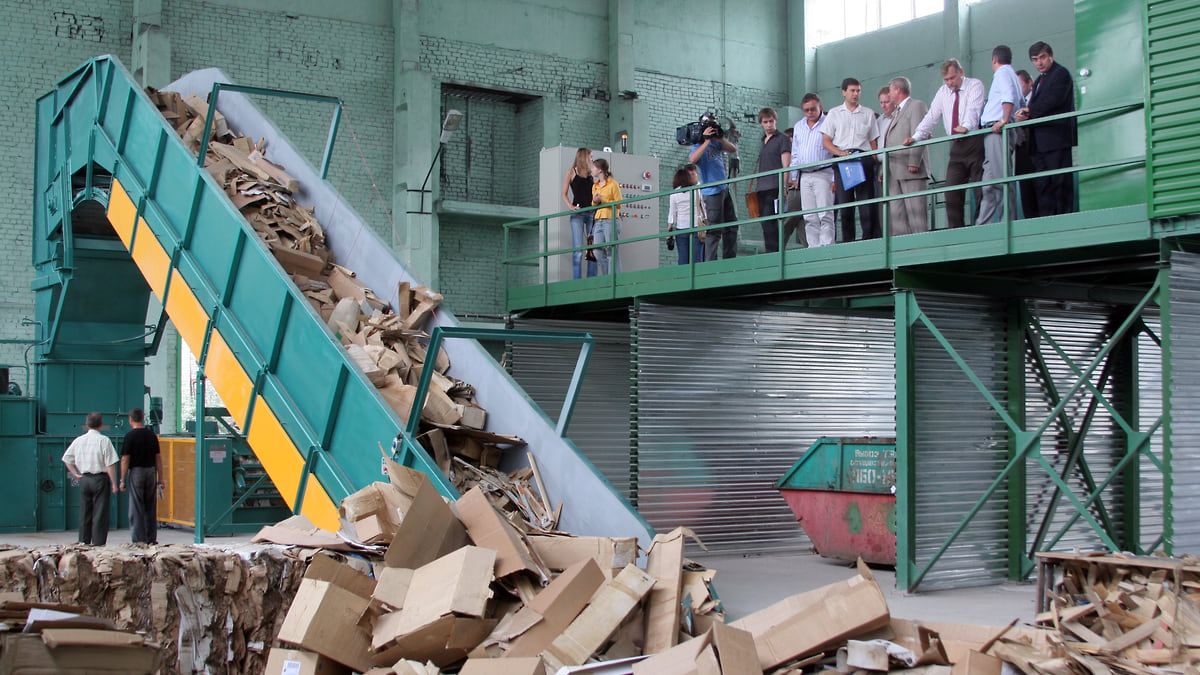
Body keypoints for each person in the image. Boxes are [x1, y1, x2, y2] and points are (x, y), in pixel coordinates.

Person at [904, 58, 985, 229]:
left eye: (953, 78)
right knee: (951, 192)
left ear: (961, 73)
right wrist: (917, 136)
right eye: (947, 80)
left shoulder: (974, 85)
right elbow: (932, 116)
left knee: (980, 188)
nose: (950, 83)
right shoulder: (943, 92)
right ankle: (956, 231)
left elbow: (974, 110)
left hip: (975, 141)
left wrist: (967, 126)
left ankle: (982, 226)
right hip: (956, 145)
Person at [1015, 41, 1077, 216]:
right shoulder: (1042, 79)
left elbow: (1052, 101)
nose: (1039, 63)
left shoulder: (1060, 74)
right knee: (1044, 185)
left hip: (1056, 139)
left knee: (1059, 184)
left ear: (1051, 56)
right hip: (1041, 142)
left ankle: (1062, 220)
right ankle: (1047, 220)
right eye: (1035, 59)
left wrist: (1029, 112)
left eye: (1042, 57)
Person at [822, 78, 879, 241]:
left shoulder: (868, 113)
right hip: (843, 161)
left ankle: (868, 240)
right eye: (852, 90)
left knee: (866, 204)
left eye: (858, 91)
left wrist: (873, 161)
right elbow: (826, 140)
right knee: (846, 206)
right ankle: (848, 242)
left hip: (863, 159)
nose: (855, 94)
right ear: (844, 92)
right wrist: (840, 153)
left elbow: (873, 142)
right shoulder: (834, 113)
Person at [977, 45, 1024, 224]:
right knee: (988, 185)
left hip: (998, 131)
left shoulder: (1003, 73)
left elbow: (1008, 97)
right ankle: (983, 224)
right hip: (995, 133)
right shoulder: (1012, 73)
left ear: (994, 59)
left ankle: (1007, 223)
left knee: (1001, 180)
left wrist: (1003, 120)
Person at [61, 413, 118, 546]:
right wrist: (114, 483)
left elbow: (66, 459)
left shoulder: (79, 440)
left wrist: (75, 473)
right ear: (101, 425)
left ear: (86, 425)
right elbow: (110, 464)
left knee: (85, 512)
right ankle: (98, 543)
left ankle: (83, 542)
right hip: (100, 479)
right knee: (100, 513)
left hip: (85, 479)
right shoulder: (104, 441)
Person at [787, 93, 836, 247]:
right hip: (805, 175)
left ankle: (827, 245)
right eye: (806, 110)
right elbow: (795, 152)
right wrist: (794, 175)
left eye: (812, 109)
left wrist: (835, 178)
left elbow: (836, 150)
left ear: (820, 107)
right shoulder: (799, 126)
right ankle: (813, 248)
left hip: (824, 172)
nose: (810, 112)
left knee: (825, 213)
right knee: (809, 215)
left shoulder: (829, 122)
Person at [688, 113, 739, 261]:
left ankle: (730, 258)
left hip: (724, 188)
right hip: (711, 192)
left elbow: (732, 149)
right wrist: (705, 141)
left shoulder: (717, 142)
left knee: (731, 225)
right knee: (714, 229)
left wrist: (719, 137)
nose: (712, 128)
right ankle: (710, 262)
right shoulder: (698, 145)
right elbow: (692, 159)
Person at [882, 77, 930, 235]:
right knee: (897, 217)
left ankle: (921, 250)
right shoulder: (897, 112)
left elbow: (920, 134)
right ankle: (903, 252)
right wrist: (884, 169)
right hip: (894, 171)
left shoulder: (916, 106)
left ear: (898, 90)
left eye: (890, 90)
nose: (889, 94)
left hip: (911, 170)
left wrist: (914, 162)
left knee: (916, 216)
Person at [120, 408, 163, 545]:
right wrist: (161, 478)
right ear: (142, 418)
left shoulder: (130, 436)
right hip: (151, 472)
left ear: (130, 419)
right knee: (150, 506)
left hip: (137, 473)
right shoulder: (151, 435)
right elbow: (158, 459)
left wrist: (122, 479)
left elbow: (125, 459)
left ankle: (139, 540)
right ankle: (151, 539)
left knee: (136, 507)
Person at [754, 108, 792, 253]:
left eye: (771, 121)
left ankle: (774, 253)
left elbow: (786, 165)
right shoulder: (763, 140)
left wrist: (784, 187)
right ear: (761, 123)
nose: (769, 124)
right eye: (765, 122)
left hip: (774, 185)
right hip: (761, 187)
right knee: (765, 222)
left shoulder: (782, 139)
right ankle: (771, 252)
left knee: (771, 222)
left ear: (776, 121)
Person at [560, 148, 595, 278]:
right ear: (584, 157)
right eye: (590, 156)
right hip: (578, 214)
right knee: (578, 250)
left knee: (592, 249)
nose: (592, 159)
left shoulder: (591, 173)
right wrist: (571, 206)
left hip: (591, 212)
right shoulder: (571, 172)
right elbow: (563, 193)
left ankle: (591, 279)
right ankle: (577, 280)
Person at [1013, 69, 1039, 219]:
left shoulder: (1037, 100)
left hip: (1037, 152)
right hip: (1022, 155)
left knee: (1040, 192)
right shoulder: (1013, 105)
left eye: (1019, 83)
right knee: (1026, 195)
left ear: (1030, 83)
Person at [590, 158, 622, 275]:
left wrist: (602, 200)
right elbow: (594, 204)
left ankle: (613, 278)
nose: (591, 170)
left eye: (593, 167)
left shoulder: (613, 184)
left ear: (600, 170)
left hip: (610, 219)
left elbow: (618, 203)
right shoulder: (595, 186)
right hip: (598, 220)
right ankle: (606, 277)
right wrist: (595, 200)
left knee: (611, 251)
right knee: (597, 250)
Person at [667, 167, 703, 264]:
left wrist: (669, 230)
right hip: (696, 226)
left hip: (681, 228)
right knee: (697, 258)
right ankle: (698, 278)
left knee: (683, 258)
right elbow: (704, 207)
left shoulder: (674, 193)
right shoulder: (696, 190)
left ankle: (683, 278)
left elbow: (672, 213)